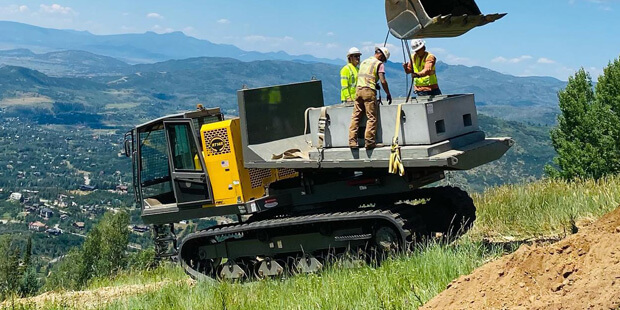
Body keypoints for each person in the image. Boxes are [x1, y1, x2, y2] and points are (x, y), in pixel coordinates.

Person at [348, 46, 392, 149]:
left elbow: (365, 76)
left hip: (358, 90)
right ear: (381, 55)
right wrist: (388, 93)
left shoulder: (364, 61)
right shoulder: (378, 64)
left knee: (356, 117)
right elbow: (383, 81)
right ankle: (370, 142)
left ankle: (352, 142)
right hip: (369, 92)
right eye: (384, 59)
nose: (383, 61)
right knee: (371, 117)